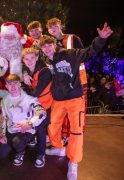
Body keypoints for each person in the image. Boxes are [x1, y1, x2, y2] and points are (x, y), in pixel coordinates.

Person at [39, 23, 113, 180]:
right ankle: (59, 148)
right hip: (58, 100)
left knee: (76, 132)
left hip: (74, 98)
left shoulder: (70, 54)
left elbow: (89, 52)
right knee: (52, 126)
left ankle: (74, 162)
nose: (47, 49)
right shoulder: (47, 61)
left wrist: (101, 39)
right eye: (44, 47)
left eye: (49, 45)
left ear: (54, 45)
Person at [46, 17, 87, 146]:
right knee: (59, 114)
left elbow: (83, 55)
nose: (53, 28)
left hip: (77, 79)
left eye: (55, 25)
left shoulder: (72, 39)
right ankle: (61, 138)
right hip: (60, 82)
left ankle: (72, 138)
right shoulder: (49, 44)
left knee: (75, 115)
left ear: (60, 25)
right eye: (50, 27)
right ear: (48, 30)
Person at [0, 74, 46, 166]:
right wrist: (2, 134)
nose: (13, 86)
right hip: (12, 129)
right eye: (10, 84)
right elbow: (3, 118)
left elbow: (42, 112)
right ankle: (16, 144)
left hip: (26, 130)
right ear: (6, 86)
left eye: (15, 83)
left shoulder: (29, 99)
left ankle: (20, 152)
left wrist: (29, 124)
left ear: (19, 84)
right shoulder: (4, 100)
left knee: (17, 142)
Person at [22, 48, 53, 168]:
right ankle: (25, 145)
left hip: (46, 106)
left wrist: (22, 89)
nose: (29, 61)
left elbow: (35, 93)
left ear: (36, 58)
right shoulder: (26, 70)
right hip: (34, 105)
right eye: (26, 59)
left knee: (41, 128)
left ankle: (41, 154)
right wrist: (24, 74)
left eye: (32, 58)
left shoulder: (45, 71)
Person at [0, 22, 34, 105]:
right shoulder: (0, 47)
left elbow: (31, 50)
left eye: (11, 35)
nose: (8, 38)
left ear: (16, 37)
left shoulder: (22, 49)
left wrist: (23, 40)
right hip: (2, 87)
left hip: (19, 88)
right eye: (5, 36)